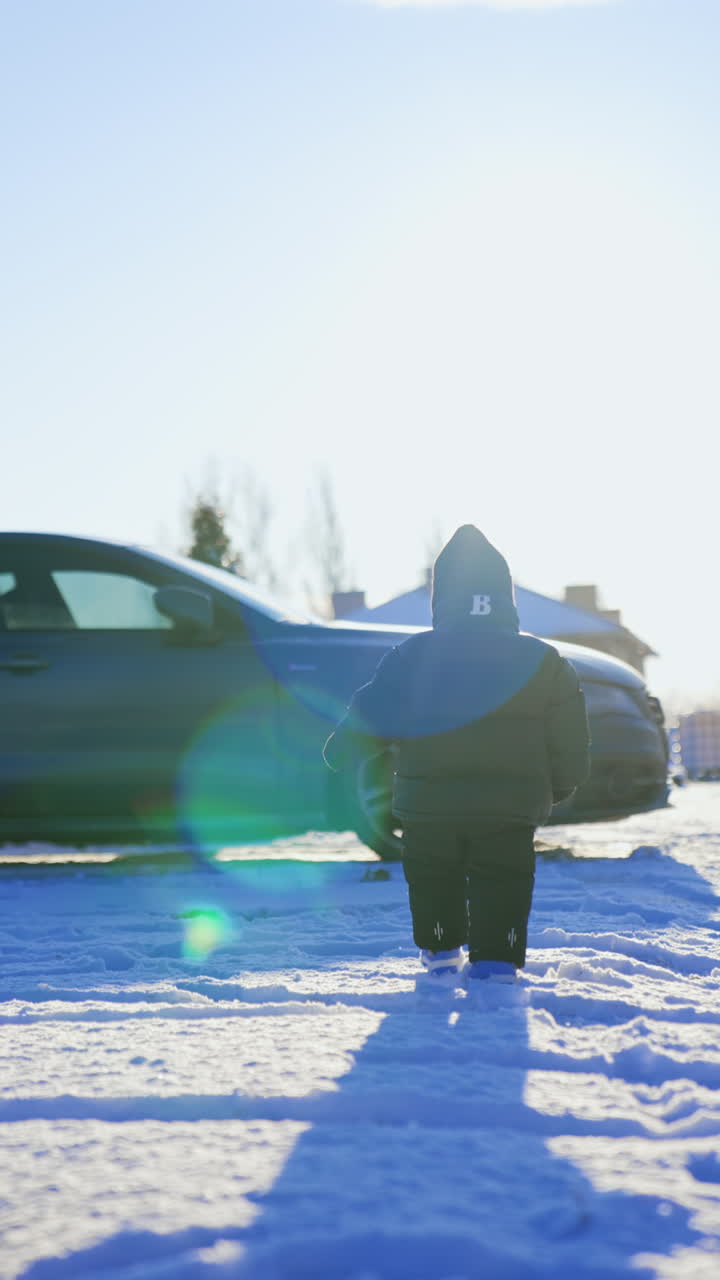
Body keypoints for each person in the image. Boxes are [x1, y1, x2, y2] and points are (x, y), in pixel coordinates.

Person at [323, 524, 591, 983]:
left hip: (428, 806)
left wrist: (341, 752)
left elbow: (372, 713)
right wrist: (558, 786)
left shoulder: (412, 655)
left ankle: (442, 952)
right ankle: (498, 959)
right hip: (509, 806)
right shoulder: (543, 661)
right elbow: (569, 733)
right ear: (505, 598)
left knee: (432, 878)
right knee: (503, 880)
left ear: (440, 598)